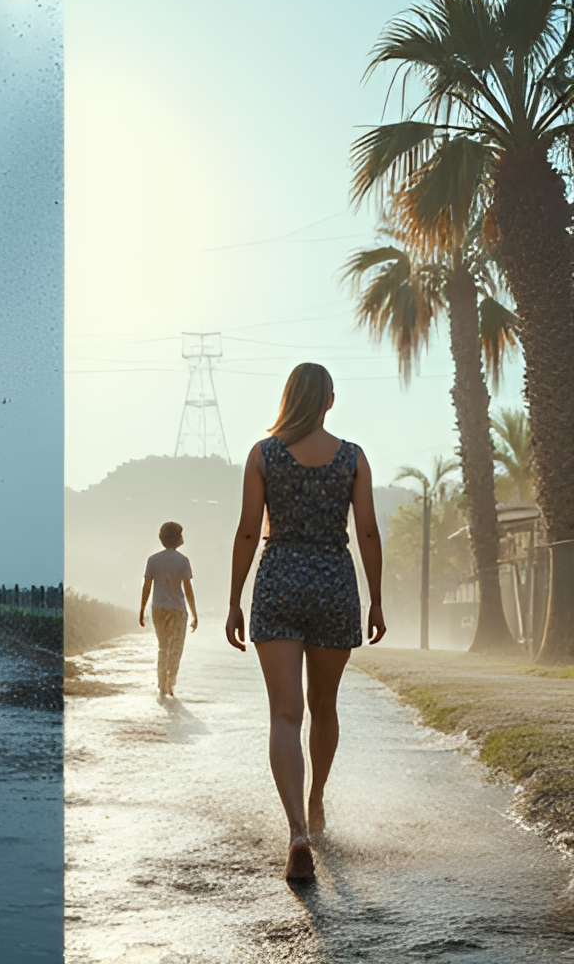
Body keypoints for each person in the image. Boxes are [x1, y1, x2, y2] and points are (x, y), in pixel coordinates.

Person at [225, 363, 385, 882]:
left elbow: (249, 532)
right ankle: (316, 803)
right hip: (334, 582)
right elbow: (367, 534)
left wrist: (233, 599)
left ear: (289, 397)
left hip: (278, 582)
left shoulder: (263, 454)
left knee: (285, 715)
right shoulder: (352, 457)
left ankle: (296, 830)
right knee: (324, 708)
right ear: (329, 401)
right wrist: (376, 600)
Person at [139, 521, 198, 698]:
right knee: (176, 649)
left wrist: (142, 610)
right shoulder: (183, 561)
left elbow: (147, 587)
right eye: (181, 534)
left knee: (163, 647)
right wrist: (195, 615)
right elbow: (187, 589)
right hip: (178, 610)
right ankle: (170, 684)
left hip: (158, 608)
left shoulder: (153, 560)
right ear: (177, 538)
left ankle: (162, 685)